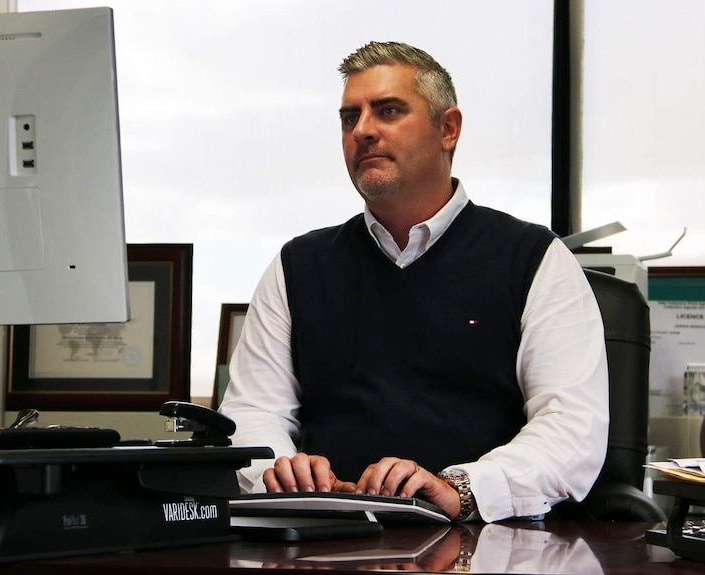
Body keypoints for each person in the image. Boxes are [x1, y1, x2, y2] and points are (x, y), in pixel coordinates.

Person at [217, 41, 609, 522]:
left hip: (481, 540)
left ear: (448, 129)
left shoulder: (534, 259)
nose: (362, 131)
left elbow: (572, 428)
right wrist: (282, 473)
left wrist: (460, 489)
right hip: (324, 534)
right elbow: (253, 412)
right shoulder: (297, 266)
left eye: (388, 111)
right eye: (348, 118)